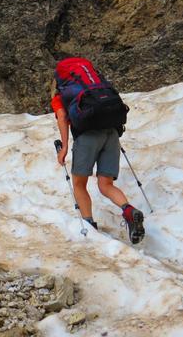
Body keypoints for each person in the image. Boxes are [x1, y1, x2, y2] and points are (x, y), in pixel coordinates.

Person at [51, 57, 145, 244]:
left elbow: (62, 117)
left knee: (79, 184)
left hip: (87, 137)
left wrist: (64, 147)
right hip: (111, 134)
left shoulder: (61, 93)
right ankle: (128, 210)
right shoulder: (95, 85)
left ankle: (89, 226)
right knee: (106, 185)